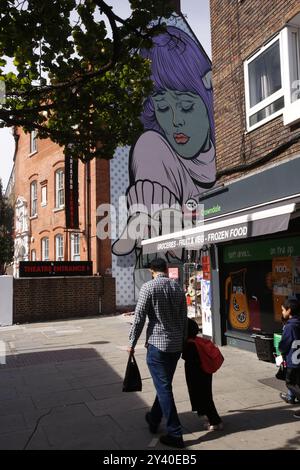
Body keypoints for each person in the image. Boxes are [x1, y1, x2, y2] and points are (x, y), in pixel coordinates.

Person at [112, 26, 216, 257]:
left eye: (186, 106)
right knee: (148, 142)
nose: (175, 121)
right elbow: (150, 153)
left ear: (208, 94)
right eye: (162, 107)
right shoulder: (155, 147)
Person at [127, 258, 187, 448]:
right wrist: (183, 341)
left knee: (163, 388)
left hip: (157, 345)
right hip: (176, 345)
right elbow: (184, 318)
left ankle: (175, 433)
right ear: (166, 269)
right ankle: (154, 418)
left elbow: (139, 318)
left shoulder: (148, 287)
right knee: (164, 385)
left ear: (151, 270)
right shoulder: (177, 288)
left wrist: (131, 343)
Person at [182, 318, 223, 430]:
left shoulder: (189, 345)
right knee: (207, 396)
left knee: (203, 397)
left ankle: (215, 422)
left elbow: (186, 357)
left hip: (196, 373)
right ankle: (212, 419)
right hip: (206, 371)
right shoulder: (198, 341)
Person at [278, 298, 300, 418]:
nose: (282, 313)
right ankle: (291, 397)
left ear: (289, 310)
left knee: (290, 383)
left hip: (293, 361)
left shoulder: (289, 327)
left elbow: (284, 345)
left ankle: (291, 397)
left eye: (283, 310)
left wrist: (280, 350)